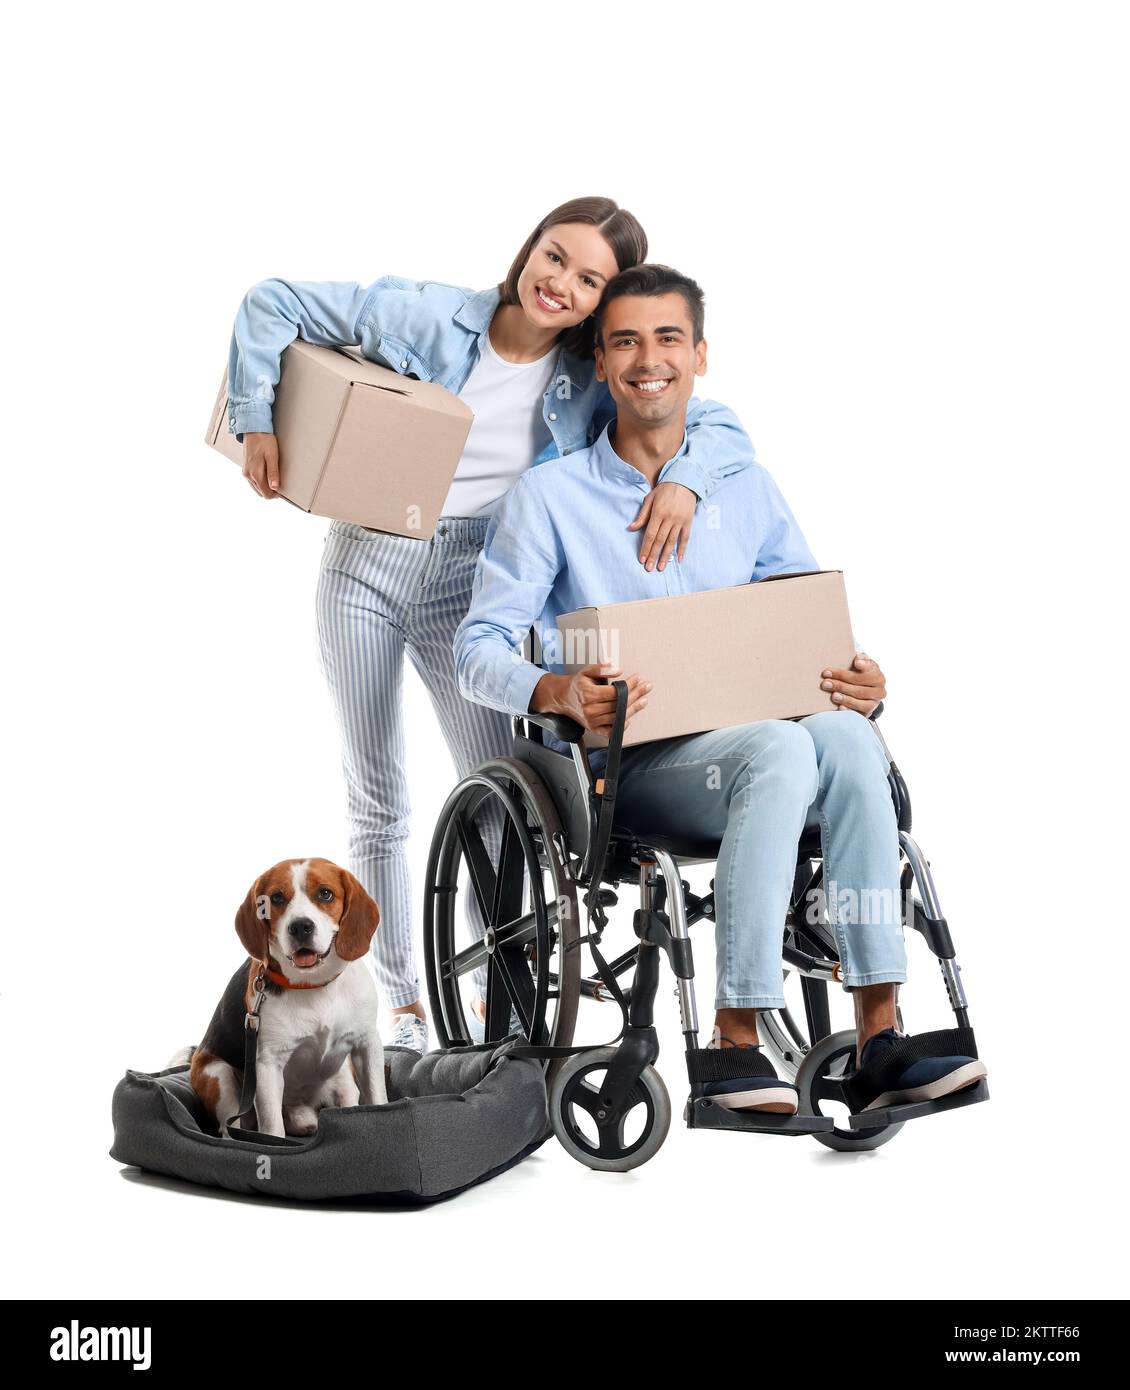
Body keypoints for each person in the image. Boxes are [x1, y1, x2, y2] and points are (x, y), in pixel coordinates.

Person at [454, 263, 989, 1113]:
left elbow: (803, 614)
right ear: (601, 362)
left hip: (762, 741)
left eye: (668, 339)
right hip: (635, 769)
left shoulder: (743, 486)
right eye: (626, 342)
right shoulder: (550, 498)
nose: (648, 360)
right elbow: (475, 648)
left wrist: (858, 673)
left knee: (849, 739)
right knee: (778, 747)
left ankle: (879, 1033)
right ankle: (733, 1042)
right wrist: (554, 687)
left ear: (700, 355)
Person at [225, 201, 758, 1052]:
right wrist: (256, 418)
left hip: (471, 579)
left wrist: (686, 479)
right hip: (368, 560)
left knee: (498, 795)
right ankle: (401, 1007)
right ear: (528, 249)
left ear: (603, 301)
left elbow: (717, 421)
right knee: (379, 795)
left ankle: (490, 985)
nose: (560, 284)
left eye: (589, 280)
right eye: (555, 257)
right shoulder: (429, 315)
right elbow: (271, 301)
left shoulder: (591, 376)